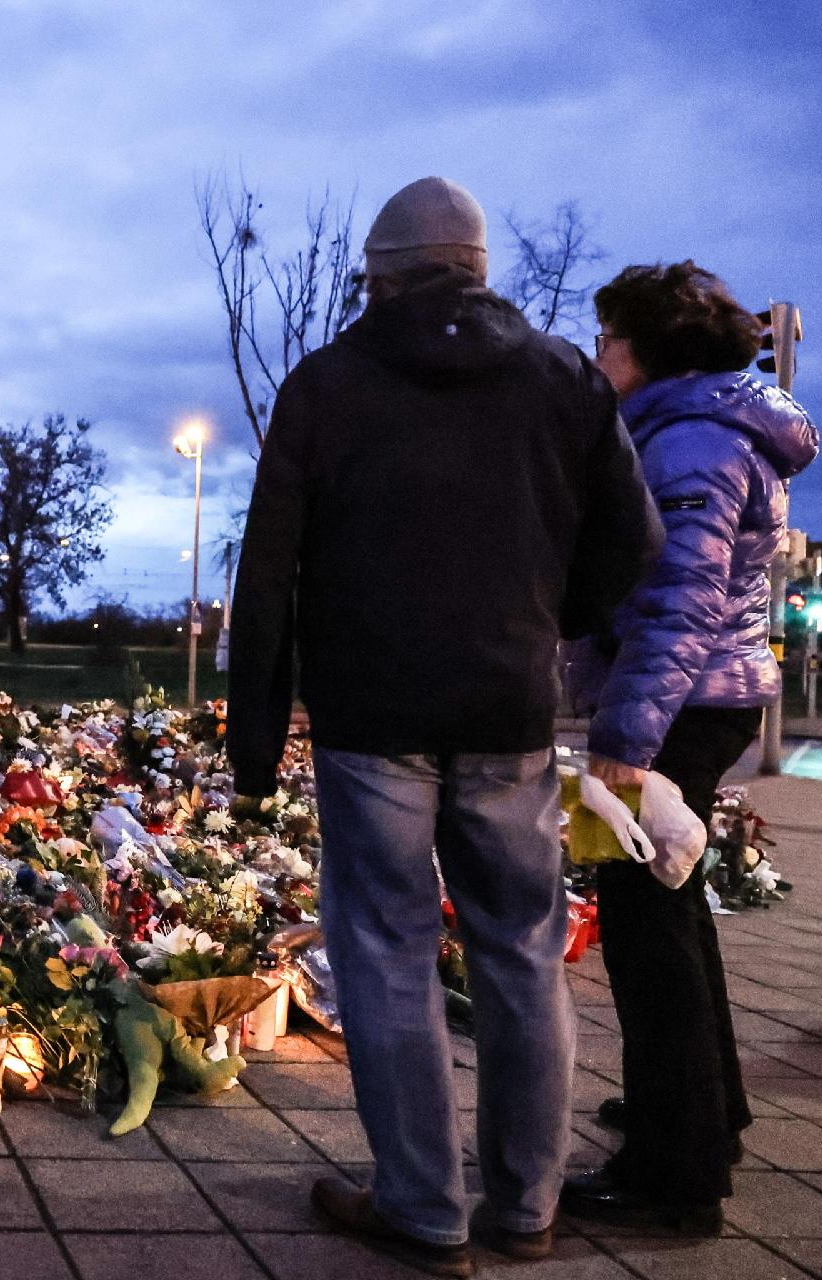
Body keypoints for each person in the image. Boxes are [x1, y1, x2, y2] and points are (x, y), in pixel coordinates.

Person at [227, 177, 661, 1277]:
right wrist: (548, 621)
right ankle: (527, 1202)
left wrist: (255, 736)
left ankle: (423, 1204)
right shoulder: (562, 375)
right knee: (522, 949)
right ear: (476, 267)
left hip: (374, 715)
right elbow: (635, 536)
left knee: (386, 951)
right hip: (505, 706)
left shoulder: (327, 384)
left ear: (380, 274)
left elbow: (268, 567)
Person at [561, 262, 819, 1233]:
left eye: (609, 337)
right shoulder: (699, 427)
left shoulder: (692, 441)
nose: (598, 353)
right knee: (669, 903)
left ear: (650, 349)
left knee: (642, 922)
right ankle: (708, 1112)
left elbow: (678, 603)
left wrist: (625, 744)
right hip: (703, 695)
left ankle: (676, 1169)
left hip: (679, 700)